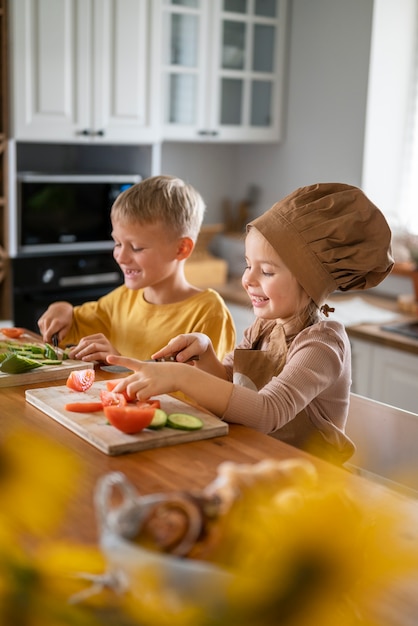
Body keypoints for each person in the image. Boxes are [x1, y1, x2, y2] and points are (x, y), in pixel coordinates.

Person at [106, 182, 394, 464]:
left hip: (312, 486)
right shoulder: (263, 328)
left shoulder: (321, 344)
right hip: (257, 463)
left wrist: (180, 376)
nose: (247, 279)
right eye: (248, 265)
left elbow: (267, 411)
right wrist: (205, 354)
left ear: (310, 283)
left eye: (266, 271)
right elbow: (230, 386)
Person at [38, 175, 236, 362]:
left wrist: (122, 365)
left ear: (181, 249)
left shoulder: (208, 313)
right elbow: (72, 322)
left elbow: (206, 393)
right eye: (117, 243)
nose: (121, 257)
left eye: (136, 247)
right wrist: (61, 308)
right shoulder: (121, 300)